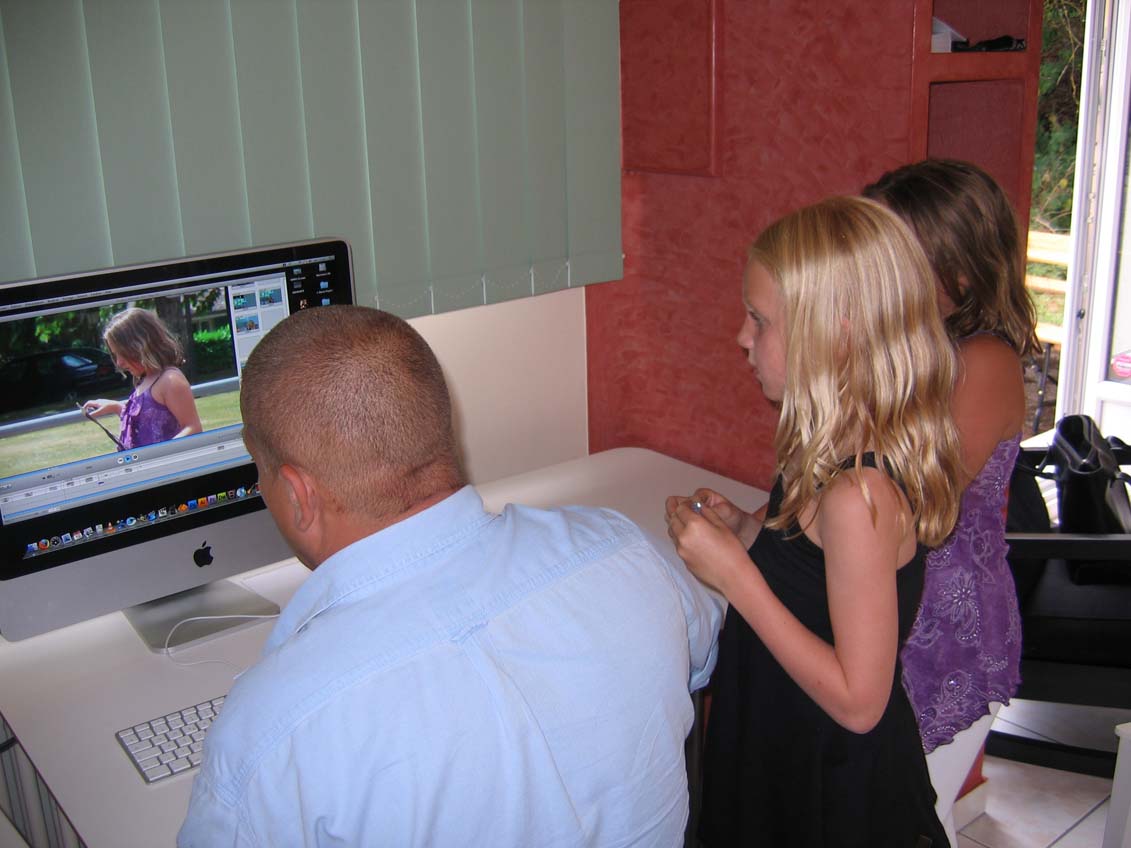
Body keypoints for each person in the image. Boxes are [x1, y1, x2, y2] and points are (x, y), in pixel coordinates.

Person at [178, 305, 725, 847]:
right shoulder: (624, 550)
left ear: (299, 495)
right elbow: (701, 655)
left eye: (260, 472)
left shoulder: (270, 736)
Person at [666, 196, 963, 846]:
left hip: (831, 783)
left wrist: (735, 575)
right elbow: (811, 579)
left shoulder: (859, 494)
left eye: (759, 319)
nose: (741, 337)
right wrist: (748, 535)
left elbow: (860, 703)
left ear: (838, 333)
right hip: (779, 735)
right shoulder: (822, 446)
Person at [864, 159, 1039, 842]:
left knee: (907, 817)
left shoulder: (983, 362)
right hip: (901, 606)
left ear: (960, 272)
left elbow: (914, 500)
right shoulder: (921, 350)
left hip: (946, 629)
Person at [82, 307, 202, 449]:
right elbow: (146, 421)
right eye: (115, 355)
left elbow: (193, 428)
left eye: (122, 353)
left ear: (141, 346)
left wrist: (157, 455)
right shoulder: (144, 380)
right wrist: (116, 407)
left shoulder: (169, 380)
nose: (119, 362)